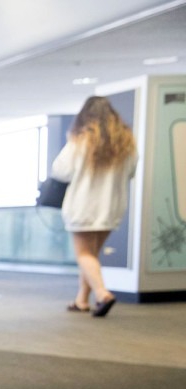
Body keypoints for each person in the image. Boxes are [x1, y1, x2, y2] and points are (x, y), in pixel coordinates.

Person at [50, 96, 138, 318]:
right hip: (111, 206)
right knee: (92, 255)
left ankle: (102, 294)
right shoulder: (126, 142)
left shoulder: (80, 140)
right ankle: (81, 300)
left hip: (83, 205)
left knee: (84, 254)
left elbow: (60, 170)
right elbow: (131, 172)